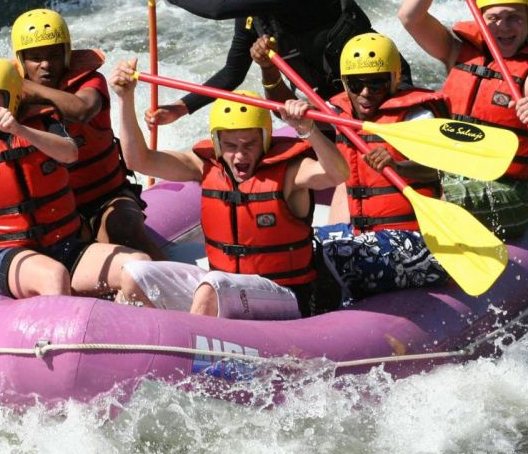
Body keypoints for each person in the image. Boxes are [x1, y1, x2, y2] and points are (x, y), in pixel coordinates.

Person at [109, 59, 350, 317]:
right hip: (225, 286)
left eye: (249, 145)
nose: (239, 156)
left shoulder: (291, 173)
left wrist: (308, 129)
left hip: (286, 294)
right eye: (231, 146)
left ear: (265, 140)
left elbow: (338, 173)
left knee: (212, 288)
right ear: (217, 143)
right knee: (136, 275)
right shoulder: (203, 167)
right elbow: (138, 160)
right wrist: (125, 97)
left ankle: (191, 349)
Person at [0, 57, 153, 304]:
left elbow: (70, 153)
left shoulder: (44, 126)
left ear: (12, 100)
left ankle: (133, 330)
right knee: (54, 277)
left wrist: (19, 130)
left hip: (63, 245)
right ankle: (64, 340)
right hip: (4, 256)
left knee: (138, 267)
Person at [137, 0, 412, 127]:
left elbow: (218, 9)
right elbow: (232, 74)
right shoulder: (252, 15)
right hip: (338, 97)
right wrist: (179, 109)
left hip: (380, 83)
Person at [397, 0, 528, 238]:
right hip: (451, 171)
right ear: (481, 21)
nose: (504, 25)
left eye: (515, 17)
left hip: (507, 188)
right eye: (494, 18)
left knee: (441, 198)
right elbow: (410, 18)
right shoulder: (456, 52)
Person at [9, 8, 165, 260]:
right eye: (35, 58)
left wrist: (33, 91)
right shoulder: (11, 96)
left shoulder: (90, 82)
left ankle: (176, 288)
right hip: (52, 212)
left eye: (54, 55)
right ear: (21, 61)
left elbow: (82, 110)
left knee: (122, 227)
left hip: (105, 199)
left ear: (67, 55)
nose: (46, 64)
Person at [314, 33, 451, 309]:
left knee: (336, 255)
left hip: (419, 244)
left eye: (376, 83)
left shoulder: (418, 117)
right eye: (356, 84)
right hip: (361, 236)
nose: (365, 93)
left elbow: (441, 169)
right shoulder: (338, 112)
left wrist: (397, 166)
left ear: (394, 80)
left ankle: (327, 323)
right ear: (344, 84)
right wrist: (271, 76)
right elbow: (288, 111)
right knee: (300, 249)